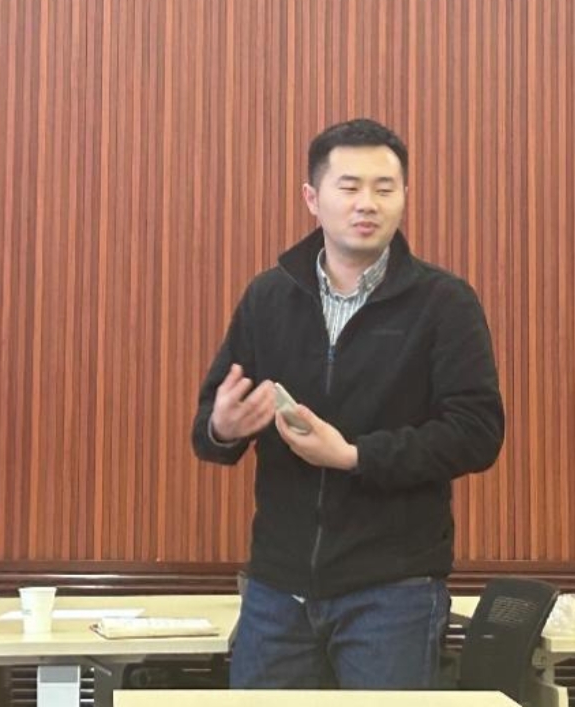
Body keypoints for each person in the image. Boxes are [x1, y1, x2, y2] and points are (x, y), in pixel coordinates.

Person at [192, 118, 505, 690]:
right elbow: (208, 432)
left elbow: (477, 432)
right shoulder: (269, 296)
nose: (368, 203)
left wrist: (355, 456)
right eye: (349, 186)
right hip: (277, 589)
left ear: (404, 196)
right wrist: (223, 427)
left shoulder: (444, 302)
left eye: (385, 188)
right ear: (313, 198)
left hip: (395, 589)